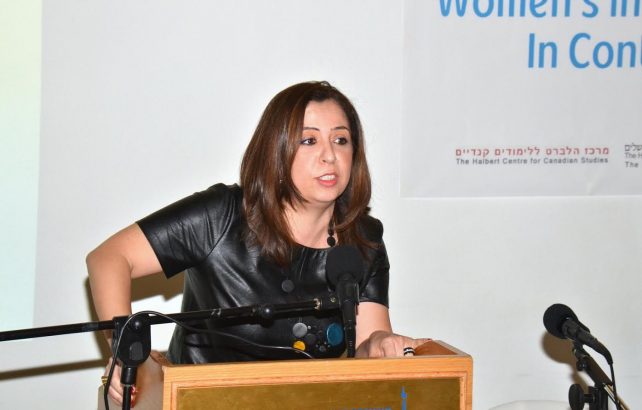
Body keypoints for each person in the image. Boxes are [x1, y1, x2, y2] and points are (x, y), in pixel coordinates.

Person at [88, 81, 427, 405]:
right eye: (309, 141)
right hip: (196, 401)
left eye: (341, 140)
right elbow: (109, 258)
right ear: (276, 151)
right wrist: (123, 348)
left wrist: (381, 343)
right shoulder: (221, 216)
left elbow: (367, 348)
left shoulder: (363, 240)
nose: (329, 155)